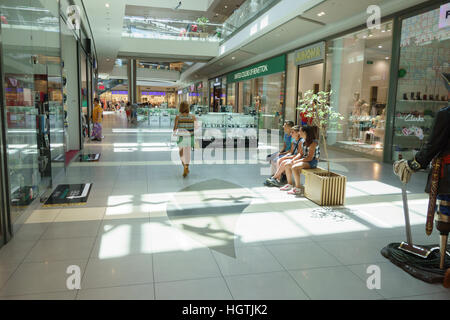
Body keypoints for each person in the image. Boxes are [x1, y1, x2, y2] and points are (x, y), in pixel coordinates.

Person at [393, 102, 449, 270]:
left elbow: (434, 144)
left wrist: (414, 164)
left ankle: (442, 262)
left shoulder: (446, 114)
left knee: (446, 215)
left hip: (448, 174)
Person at [282, 125, 320, 195]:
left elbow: (310, 158)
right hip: (305, 160)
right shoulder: (303, 141)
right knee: (287, 164)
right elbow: (301, 153)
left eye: (300, 131)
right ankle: (289, 184)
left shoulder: (313, 143)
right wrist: (294, 159)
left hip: (312, 162)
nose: (299, 132)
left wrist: (297, 161)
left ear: (305, 132)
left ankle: (297, 188)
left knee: (294, 167)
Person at [173, 101, 197, 177]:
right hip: (190, 137)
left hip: (181, 137)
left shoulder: (178, 117)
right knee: (188, 153)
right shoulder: (193, 117)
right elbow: (196, 127)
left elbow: (175, 128)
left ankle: (185, 167)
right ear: (188, 108)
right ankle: (187, 166)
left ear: (180, 107)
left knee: (181, 153)